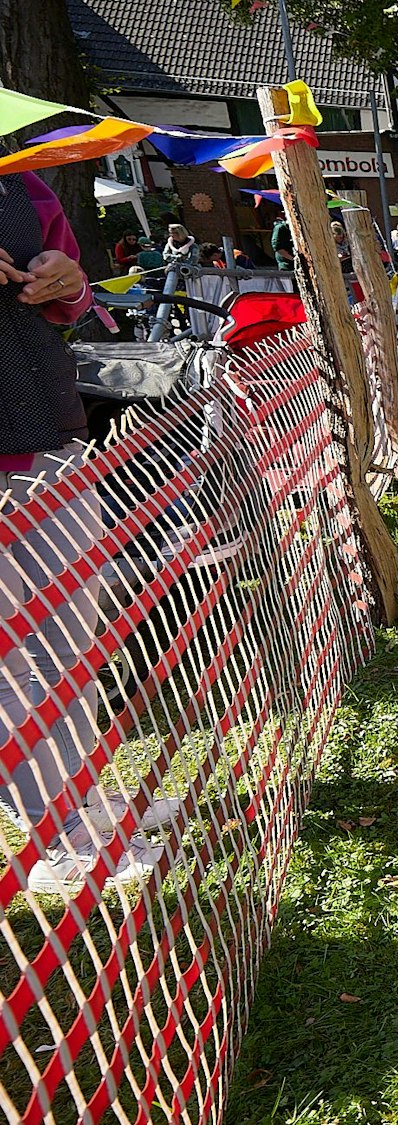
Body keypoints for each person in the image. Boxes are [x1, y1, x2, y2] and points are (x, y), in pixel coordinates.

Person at [1, 170, 181, 894]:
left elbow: (73, 304)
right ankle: (52, 833)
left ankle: (79, 801)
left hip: (49, 433)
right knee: (8, 660)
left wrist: (68, 282)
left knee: (70, 641)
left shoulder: (24, 185)